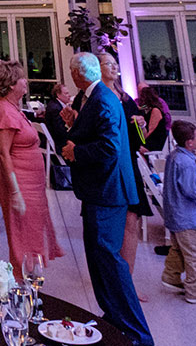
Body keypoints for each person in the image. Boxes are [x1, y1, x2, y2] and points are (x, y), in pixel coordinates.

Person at [59, 52, 153, 346]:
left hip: (108, 191)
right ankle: (113, 319)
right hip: (99, 190)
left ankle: (137, 334)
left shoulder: (102, 98)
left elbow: (109, 147)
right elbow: (93, 133)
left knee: (110, 262)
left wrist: (77, 152)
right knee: (100, 261)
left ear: (77, 74)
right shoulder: (92, 97)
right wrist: (73, 124)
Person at [0, 59, 63, 270]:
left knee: (32, 232)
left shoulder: (13, 107)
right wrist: (15, 192)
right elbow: (4, 154)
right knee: (23, 236)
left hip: (30, 185)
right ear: (13, 84)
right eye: (22, 78)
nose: (26, 81)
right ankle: (24, 283)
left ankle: (31, 281)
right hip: (20, 184)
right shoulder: (5, 110)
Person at [97, 51, 149, 281]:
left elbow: (143, 136)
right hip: (109, 163)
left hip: (128, 161)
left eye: (115, 63)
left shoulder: (125, 97)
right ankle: (111, 273)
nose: (114, 67)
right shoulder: (96, 96)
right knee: (110, 221)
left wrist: (141, 123)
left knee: (132, 217)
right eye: (108, 64)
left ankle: (127, 277)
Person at [161, 120, 196, 303]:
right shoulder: (187, 162)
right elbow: (189, 190)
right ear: (190, 142)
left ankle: (171, 276)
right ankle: (194, 290)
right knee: (194, 253)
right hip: (185, 216)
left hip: (173, 213)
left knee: (178, 248)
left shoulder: (173, 156)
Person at [133, 84, 172, 152]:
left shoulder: (155, 110)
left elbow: (150, 132)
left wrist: (139, 143)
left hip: (154, 143)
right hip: (148, 140)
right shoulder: (146, 109)